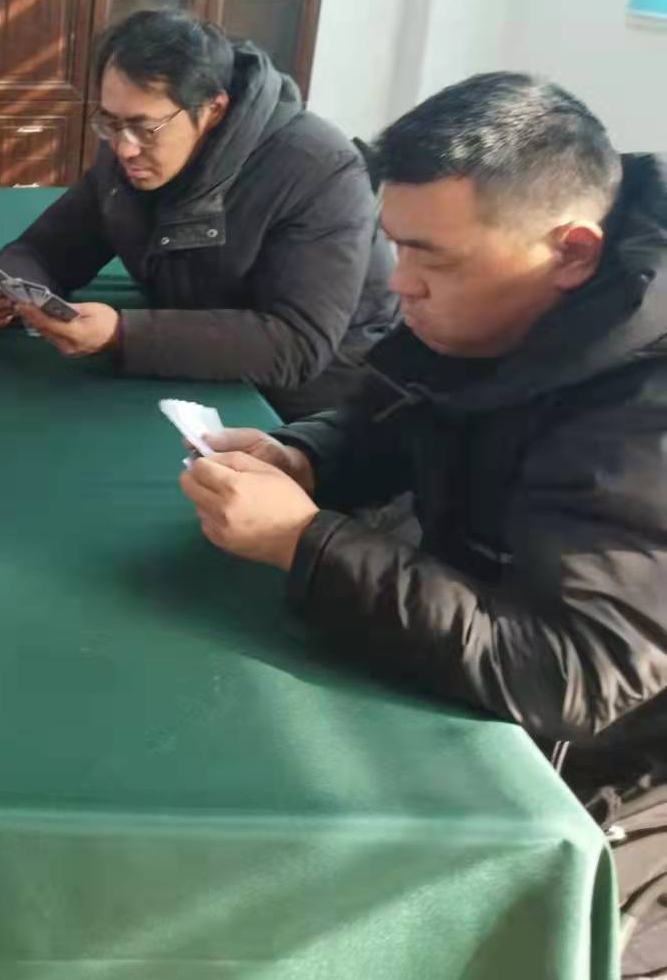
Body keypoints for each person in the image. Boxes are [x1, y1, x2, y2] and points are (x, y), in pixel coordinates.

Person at [176, 73, 667, 975]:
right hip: (480, 652)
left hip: (594, 781)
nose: (400, 283)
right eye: (395, 245)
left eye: (433, 258)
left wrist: (305, 541)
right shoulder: (502, 311)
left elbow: (569, 675)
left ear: (572, 252)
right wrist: (306, 457)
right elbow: (400, 411)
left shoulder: (647, 413)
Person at [0, 9, 398, 419]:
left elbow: (296, 344)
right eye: (110, 122)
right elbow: (45, 249)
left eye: (144, 128)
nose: (124, 148)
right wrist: (6, 292)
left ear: (212, 110)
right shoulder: (128, 151)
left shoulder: (319, 170)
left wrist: (123, 334)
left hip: (311, 412)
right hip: (190, 377)